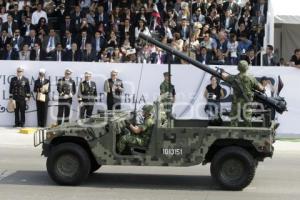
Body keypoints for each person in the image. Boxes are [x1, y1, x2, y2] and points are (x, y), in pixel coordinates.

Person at [221, 60, 265, 127]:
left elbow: (224, 76)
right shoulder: (251, 78)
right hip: (247, 102)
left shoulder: (234, 78)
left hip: (236, 102)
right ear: (247, 68)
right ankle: (248, 135)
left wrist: (222, 72)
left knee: (234, 120)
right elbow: (261, 89)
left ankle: (233, 136)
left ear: (238, 68)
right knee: (247, 121)